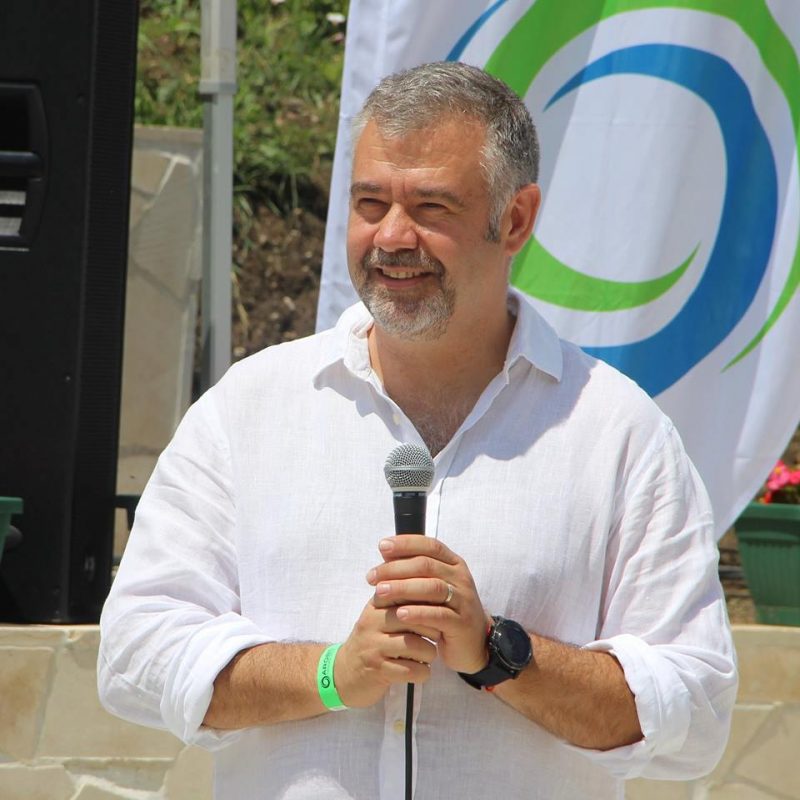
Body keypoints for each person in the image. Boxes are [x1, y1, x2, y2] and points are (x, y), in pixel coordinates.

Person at [98, 62, 737, 799]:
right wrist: (332, 673)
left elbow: (695, 712)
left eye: (431, 207)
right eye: (370, 203)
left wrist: (499, 655)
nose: (393, 237)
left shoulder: (618, 431)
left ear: (516, 219)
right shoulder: (248, 409)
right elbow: (135, 655)